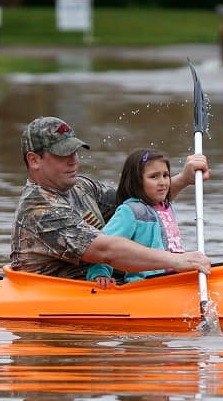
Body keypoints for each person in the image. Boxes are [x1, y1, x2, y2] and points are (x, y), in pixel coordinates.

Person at [11, 116, 211, 281]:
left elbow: (139, 204)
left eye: (74, 152)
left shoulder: (82, 186)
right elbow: (105, 250)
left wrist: (184, 179)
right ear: (34, 160)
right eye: (63, 155)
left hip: (106, 285)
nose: (73, 161)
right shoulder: (39, 209)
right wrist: (177, 260)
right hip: (60, 296)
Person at [86, 148, 184, 289]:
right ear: (137, 181)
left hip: (174, 277)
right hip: (145, 283)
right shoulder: (130, 211)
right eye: (154, 177)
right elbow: (105, 245)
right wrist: (100, 273)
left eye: (165, 175)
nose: (163, 182)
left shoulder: (167, 207)